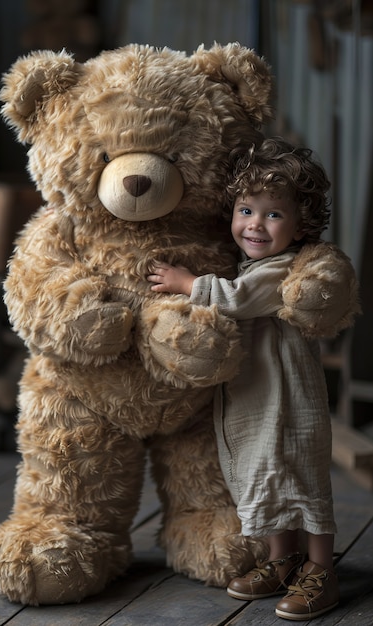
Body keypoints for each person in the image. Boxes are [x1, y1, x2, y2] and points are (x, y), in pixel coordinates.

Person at [147, 137, 340, 621]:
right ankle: (282, 559)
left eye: (273, 215)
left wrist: (186, 282)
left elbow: (234, 298)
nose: (255, 224)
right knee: (264, 475)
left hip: (291, 401)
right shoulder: (252, 263)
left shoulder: (282, 270)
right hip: (257, 396)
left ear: (300, 226)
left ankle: (320, 569)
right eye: (245, 209)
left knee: (303, 480)